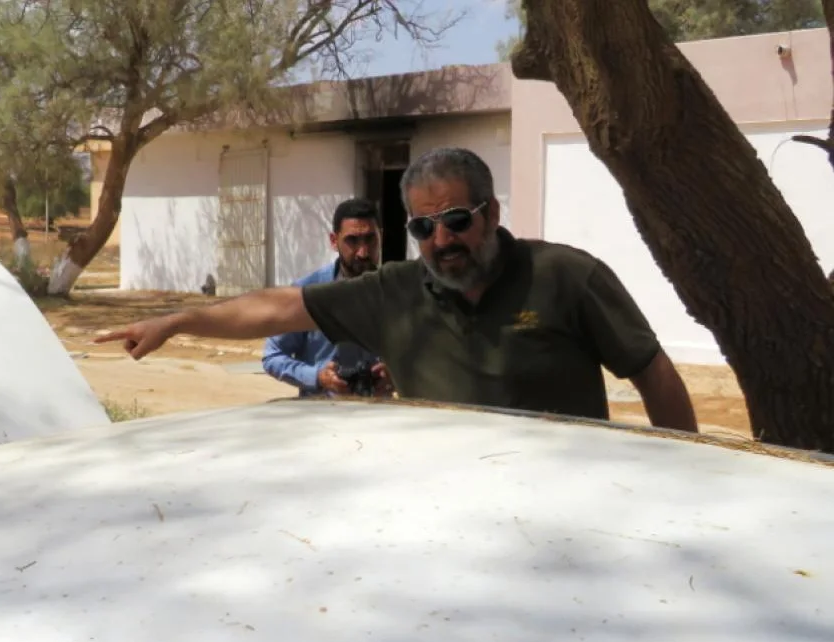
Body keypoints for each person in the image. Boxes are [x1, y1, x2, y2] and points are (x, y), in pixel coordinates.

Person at [95, 146, 698, 432]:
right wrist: (177, 321)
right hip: (443, 506)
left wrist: (680, 472)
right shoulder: (396, 291)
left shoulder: (568, 276)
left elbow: (652, 372)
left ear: (491, 213)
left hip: (567, 506)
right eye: (423, 227)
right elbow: (282, 305)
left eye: (457, 219)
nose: (442, 240)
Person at [261, 198, 394, 398]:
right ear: (334, 241)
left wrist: (396, 376)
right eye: (352, 240)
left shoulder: (395, 292)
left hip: (377, 419)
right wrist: (317, 377)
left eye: (370, 239)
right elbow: (272, 356)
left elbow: (423, 356)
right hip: (320, 418)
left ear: (381, 237)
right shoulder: (307, 293)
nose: (363, 252)